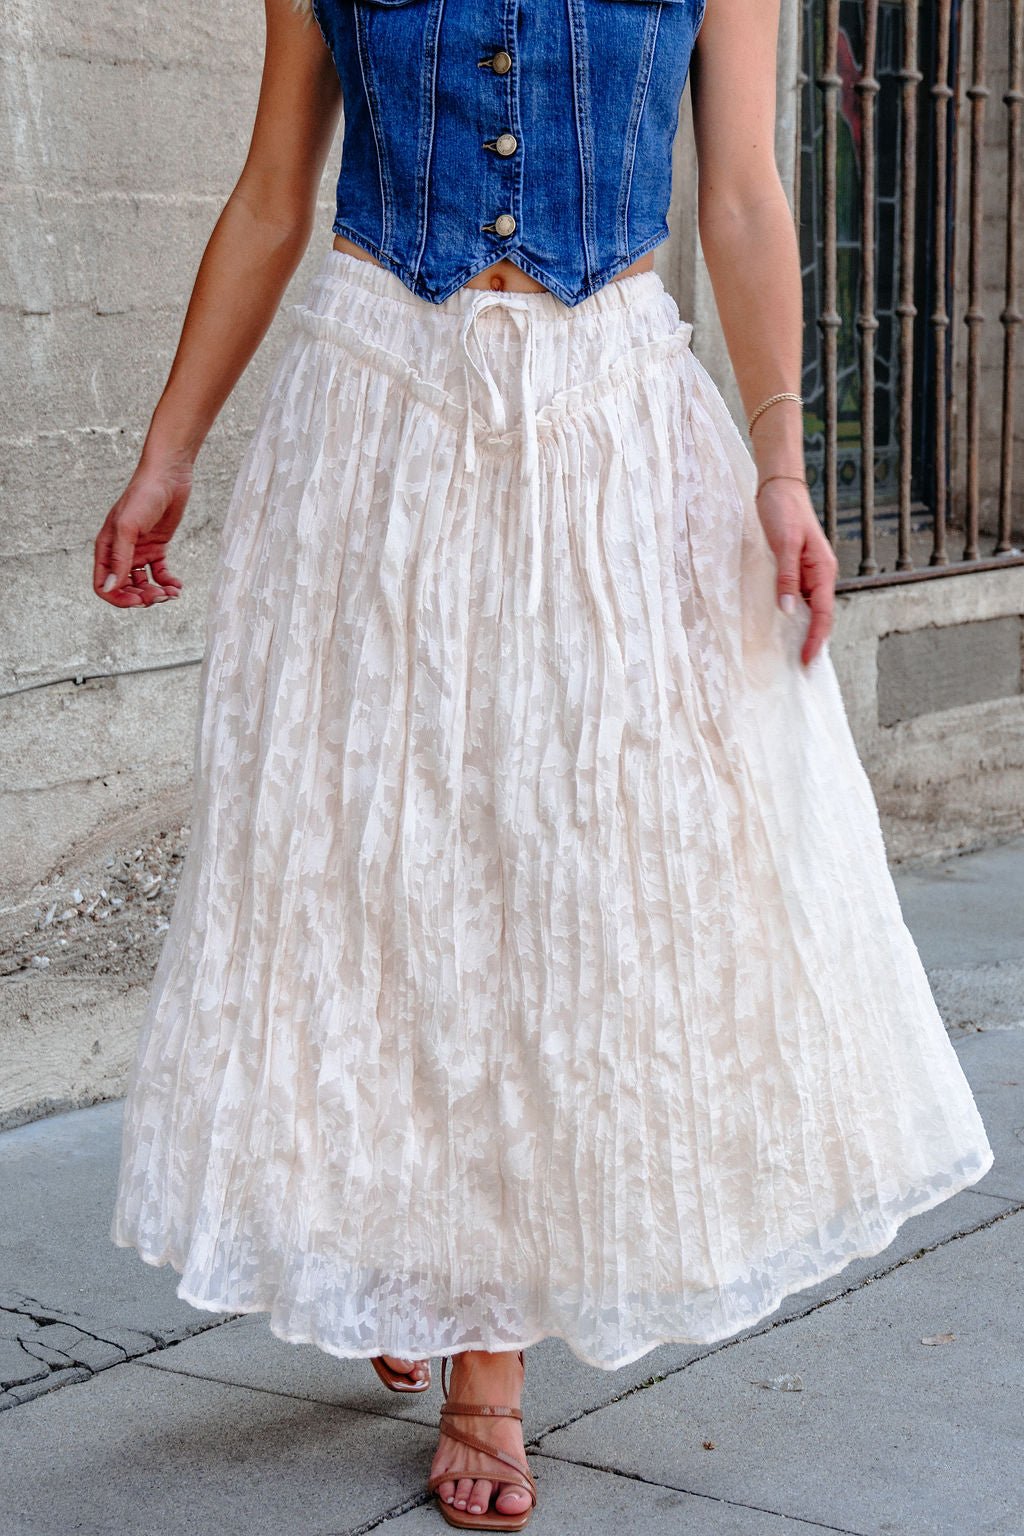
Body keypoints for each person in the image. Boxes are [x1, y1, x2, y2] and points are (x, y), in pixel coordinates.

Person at [95, 0, 994, 1529]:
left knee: (549, 879)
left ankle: (485, 1361)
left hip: (609, 421)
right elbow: (269, 195)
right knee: (371, 871)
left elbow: (743, 194)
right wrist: (170, 447)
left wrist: (782, 470)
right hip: (377, 409)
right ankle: (398, 1233)